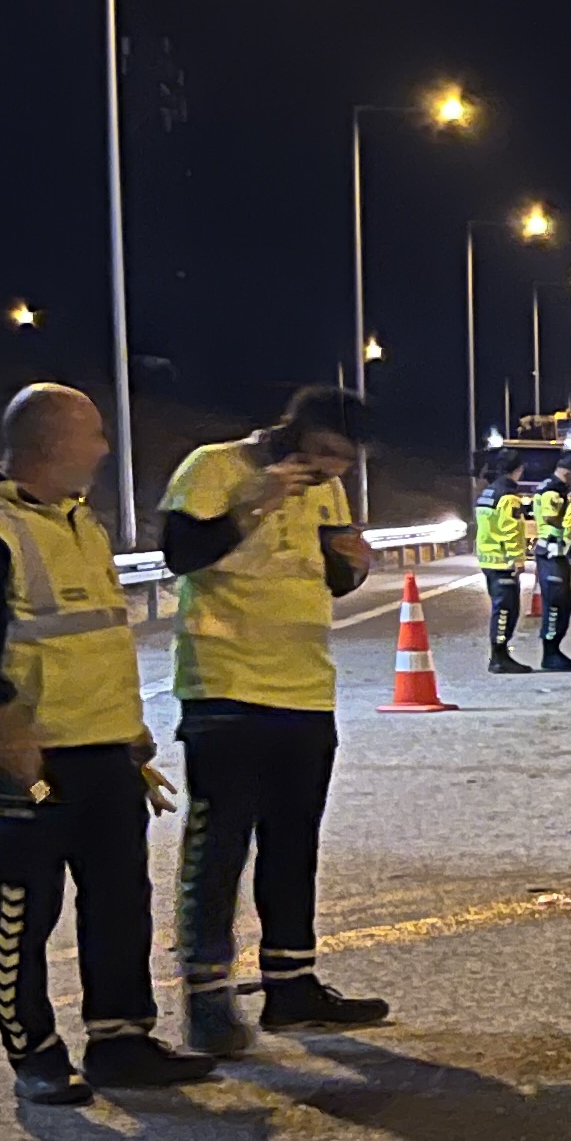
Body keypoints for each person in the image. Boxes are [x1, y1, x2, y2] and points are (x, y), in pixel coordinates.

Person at [0, 383, 221, 1103]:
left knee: (121, 899)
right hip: (27, 763)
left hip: (102, 753)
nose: (103, 447)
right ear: (50, 443)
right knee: (21, 913)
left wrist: (128, 735)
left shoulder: (80, 524)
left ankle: (121, 1040)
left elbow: (93, 640)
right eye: (91, 434)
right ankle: (34, 1053)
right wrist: (8, 733)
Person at [160, 385, 392, 1054]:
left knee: (294, 844)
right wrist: (262, 498)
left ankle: (291, 986)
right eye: (323, 453)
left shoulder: (329, 489)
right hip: (225, 685)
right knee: (219, 846)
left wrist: (352, 566)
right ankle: (206, 998)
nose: (331, 470)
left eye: (345, 461)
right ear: (292, 430)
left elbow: (331, 575)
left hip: (304, 688)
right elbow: (180, 552)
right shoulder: (214, 467)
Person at [474, 449, 537, 673]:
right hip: (503, 563)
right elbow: (510, 531)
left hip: (489, 560)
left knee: (502, 608)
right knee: (506, 611)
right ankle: (499, 657)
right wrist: (518, 561)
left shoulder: (487, 494)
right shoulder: (508, 497)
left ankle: (499, 656)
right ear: (517, 470)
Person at [529, 456, 571, 670]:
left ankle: (553, 651)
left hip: (552, 551)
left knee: (559, 602)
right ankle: (551, 654)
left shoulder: (547, 485)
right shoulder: (554, 490)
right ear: (569, 473)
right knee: (556, 604)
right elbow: (553, 517)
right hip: (553, 551)